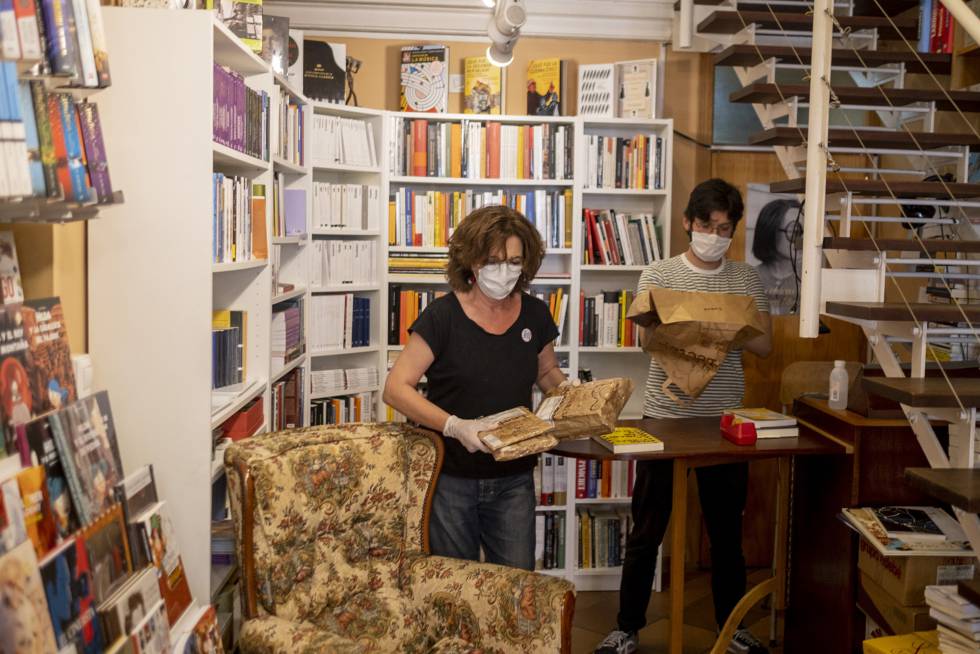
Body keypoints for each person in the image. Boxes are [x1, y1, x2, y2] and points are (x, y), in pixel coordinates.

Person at [594, 179, 773, 654]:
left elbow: (765, 345)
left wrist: (724, 327)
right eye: (707, 226)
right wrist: (691, 329)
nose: (715, 235)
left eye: (725, 229)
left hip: (724, 421)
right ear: (687, 223)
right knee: (647, 528)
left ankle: (731, 627)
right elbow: (644, 341)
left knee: (726, 534)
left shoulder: (745, 279)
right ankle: (626, 628)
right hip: (665, 416)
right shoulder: (659, 272)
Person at [383, 205, 568, 570]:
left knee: (515, 585)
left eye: (515, 262)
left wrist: (573, 394)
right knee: (456, 588)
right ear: (471, 261)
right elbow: (395, 389)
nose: (505, 272)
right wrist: (455, 425)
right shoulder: (442, 317)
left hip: (514, 476)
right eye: (494, 261)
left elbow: (546, 373)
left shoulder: (534, 314)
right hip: (452, 477)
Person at [751, 199, 803, 316]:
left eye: (805, 232)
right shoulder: (749, 279)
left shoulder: (810, 280)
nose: (802, 240)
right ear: (771, 231)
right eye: (795, 232)